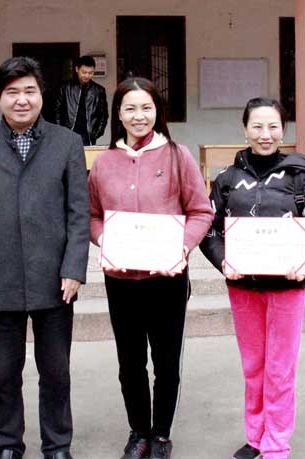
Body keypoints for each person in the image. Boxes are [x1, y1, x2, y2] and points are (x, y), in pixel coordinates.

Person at [0, 56, 90, 459]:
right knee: (3, 372)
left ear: (41, 94)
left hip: (55, 279)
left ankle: (57, 445)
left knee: (56, 372)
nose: (21, 100)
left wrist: (74, 268)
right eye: (12, 92)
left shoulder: (67, 143)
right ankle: (8, 443)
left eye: (29, 91)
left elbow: (78, 213)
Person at [200, 97, 305, 459]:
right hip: (243, 287)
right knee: (253, 366)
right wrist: (223, 261)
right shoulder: (227, 179)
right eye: (257, 126)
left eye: (273, 126)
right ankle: (256, 435)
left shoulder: (299, 176)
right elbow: (209, 230)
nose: (265, 134)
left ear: (283, 130)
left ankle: (276, 443)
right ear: (244, 129)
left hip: (287, 288)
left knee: (280, 368)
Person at [87, 77, 213, 459]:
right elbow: (92, 216)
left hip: (167, 279)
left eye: (146, 107)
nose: (138, 116)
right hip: (121, 280)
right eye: (130, 108)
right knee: (130, 362)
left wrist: (181, 246)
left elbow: (201, 211)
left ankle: (161, 435)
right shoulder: (104, 163)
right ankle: (138, 431)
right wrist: (105, 239)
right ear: (118, 113)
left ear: (157, 111)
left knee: (166, 361)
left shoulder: (178, 156)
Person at [54, 55, 109, 146]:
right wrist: (60, 131)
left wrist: (96, 133)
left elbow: (103, 115)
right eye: (84, 72)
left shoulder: (99, 90)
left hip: (88, 135)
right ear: (77, 69)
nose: (87, 75)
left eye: (90, 73)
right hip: (68, 132)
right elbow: (57, 112)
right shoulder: (65, 87)